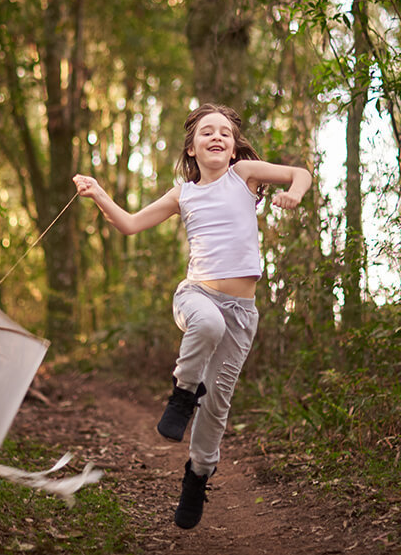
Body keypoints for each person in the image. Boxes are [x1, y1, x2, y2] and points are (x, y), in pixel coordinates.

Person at [73, 103, 312, 529]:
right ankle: (183, 392)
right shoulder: (182, 194)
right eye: (207, 132)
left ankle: (198, 473)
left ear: (236, 146)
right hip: (196, 295)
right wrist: (98, 194)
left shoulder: (244, 175)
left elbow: (300, 173)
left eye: (225, 132)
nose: (217, 136)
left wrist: (295, 192)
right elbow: (128, 224)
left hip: (242, 312)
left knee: (218, 404)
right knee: (207, 323)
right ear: (192, 146)